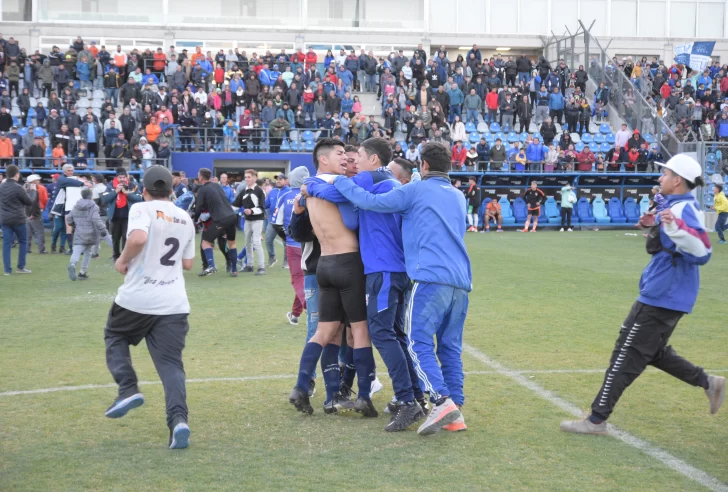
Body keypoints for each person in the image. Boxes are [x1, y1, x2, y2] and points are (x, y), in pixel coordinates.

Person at [561, 154, 724, 435]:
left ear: (677, 181)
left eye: (665, 174)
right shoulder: (675, 205)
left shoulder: (683, 210)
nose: (660, 178)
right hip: (666, 295)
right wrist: (655, 224)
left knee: (626, 353)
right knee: (652, 352)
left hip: (663, 296)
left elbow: (703, 250)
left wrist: (673, 226)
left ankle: (596, 420)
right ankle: (709, 383)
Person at [327, 141, 472, 436]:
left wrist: (341, 181)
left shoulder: (416, 190)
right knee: (449, 347)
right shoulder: (458, 195)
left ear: (425, 166)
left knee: (417, 342)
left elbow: (373, 203)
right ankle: (455, 411)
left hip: (431, 278)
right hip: (462, 280)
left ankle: (441, 401)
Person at [303, 138, 430, 431]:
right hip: (398, 271)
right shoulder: (388, 181)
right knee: (395, 333)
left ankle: (407, 400)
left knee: (382, 333)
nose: (353, 159)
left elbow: (336, 193)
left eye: (358, 154)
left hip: (382, 271)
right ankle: (415, 398)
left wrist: (309, 187)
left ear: (373, 159)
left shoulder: (368, 178)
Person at [103, 166, 196, 450]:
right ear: (171, 190)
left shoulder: (141, 208)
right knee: (171, 365)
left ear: (143, 190)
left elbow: (139, 238)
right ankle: (179, 421)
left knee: (115, 336)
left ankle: (128, 388)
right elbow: (188, 263)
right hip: (173, 302)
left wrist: (121, 260)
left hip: (139, 297)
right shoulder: (185, 218)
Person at [288, 138, 375, 418]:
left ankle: (304, 387)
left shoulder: (308, 190)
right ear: (322, 159)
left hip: (323, 265)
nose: (346, 159)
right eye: (339, 154)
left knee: (325, 333)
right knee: (359, 332)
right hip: (349, 262)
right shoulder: (337, 185)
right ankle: (363, 396)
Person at [273, 167, 309, 325]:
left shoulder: (285, 195)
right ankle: (295, 314)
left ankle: (311, 307)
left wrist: (287, 236)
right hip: (311, 244)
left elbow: (276, 222)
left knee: (297, 279)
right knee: (306, 278)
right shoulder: (311, 194)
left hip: (293, 244)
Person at [192, 168, 239, 277]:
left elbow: (198, 207)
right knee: (232, 243)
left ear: (201, 177)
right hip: (232, 216)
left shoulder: (202, 190)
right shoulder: (218, 186)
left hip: (220, 219)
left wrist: (195, 220)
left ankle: (211, 266)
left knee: (205, 242)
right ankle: (234, 270)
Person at [66, 187, 111, 281]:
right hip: (91, 233)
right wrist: (102, 229)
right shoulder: (93, 206)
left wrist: (72, 224)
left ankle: (73, 264)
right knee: (88, 252)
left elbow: (69, 218)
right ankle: (82, 272)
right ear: (90, 196)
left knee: (77, 251)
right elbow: (95, 219)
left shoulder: (76, 206)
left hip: (79, 233)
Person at [102, 170, 142, 262]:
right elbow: (104, 199)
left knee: (126, 237)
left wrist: (127, 193)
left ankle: (124, 256)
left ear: (126, 177)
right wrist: (116, 191)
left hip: (128, 216)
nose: (122, 179)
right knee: (115, 238)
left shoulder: (133, 186)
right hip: (115, 215)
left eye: (124, 177)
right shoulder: (111, 185)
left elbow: (139, 198)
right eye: (120, 177)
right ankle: (115, 256)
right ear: (116, 178)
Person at [233, 169, 267, 275]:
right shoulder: (244, 191)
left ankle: (261, 267)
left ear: (255, 178)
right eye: (246, 177)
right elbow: (235, 205)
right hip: (247, 220)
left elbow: (262, 208)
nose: (247, 179)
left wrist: (251, 211)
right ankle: (249, 265)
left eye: (249, 177)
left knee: (256, 242)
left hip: (257, 220)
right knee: (247, 243)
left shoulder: (259, 191)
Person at [0, 165, 33, 275]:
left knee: (6, 244)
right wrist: (32, 191)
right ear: (17, 174)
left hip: (5, 219)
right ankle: (20, 267)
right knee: (23, 242)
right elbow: (29, 202)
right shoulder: (18, 188)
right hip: (18, 219)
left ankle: (7, 270)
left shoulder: (1, 187)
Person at [264, 173, 289, 268]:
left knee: (286, 241)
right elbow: (266, 204)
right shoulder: (272, 191)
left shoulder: (289, 192)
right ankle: (272, 257)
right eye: (277, 179)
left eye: (281, 179)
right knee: (268, 239)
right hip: (273, 221)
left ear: (286, 181)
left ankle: (286, 261)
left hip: (284, 222)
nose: (278, 181)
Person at [24, 174, 48, 254]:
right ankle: (41, 249)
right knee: (40, 231)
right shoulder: (34, 191)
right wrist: (33, 214)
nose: (38, 181)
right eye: (37, 180)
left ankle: (27, 248)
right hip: (34, 214)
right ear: (33, 182)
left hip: (26, 214)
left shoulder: (24, 190)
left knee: (28, 232)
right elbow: (34, 203)